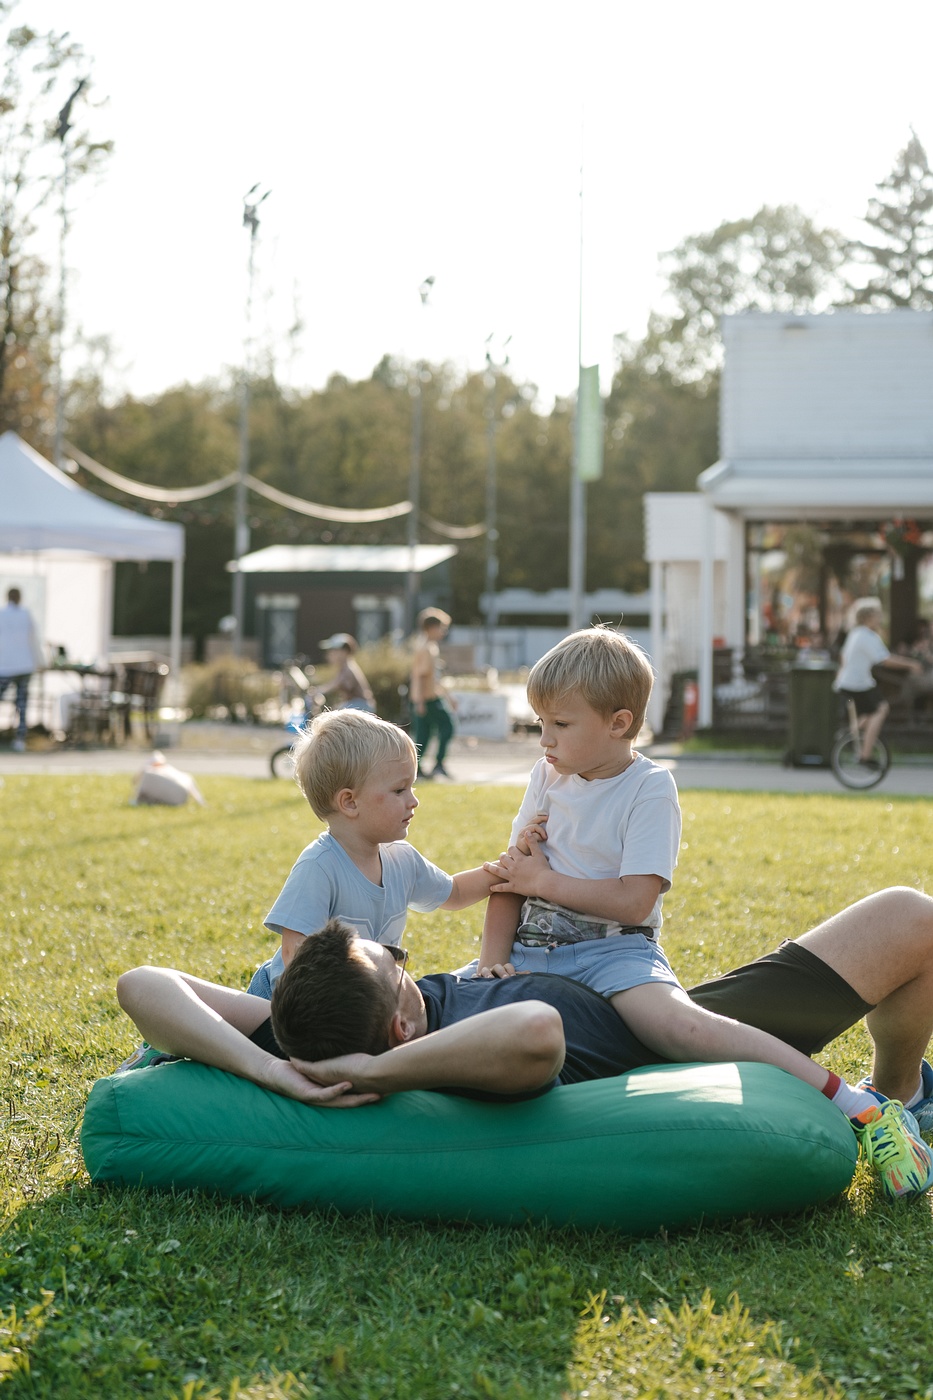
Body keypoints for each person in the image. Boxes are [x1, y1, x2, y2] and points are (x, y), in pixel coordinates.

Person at [115, 888, 933, 1199]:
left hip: (651, 1002)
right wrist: (376, 1070)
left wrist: (272, 1068)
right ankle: (895, 1101)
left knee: (909, 914)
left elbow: (141, 984)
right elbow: (536, 1034)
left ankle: (900, 1087)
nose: (407, 960)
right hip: (679, 1051)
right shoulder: (448, 1052)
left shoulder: (305, 1032)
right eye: (400, 970)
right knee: (917, 926)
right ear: (400, 1025)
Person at [470, 627, 930, 1173]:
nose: (543, 740)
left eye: (559, 725)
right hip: (545, 969)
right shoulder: (548, 776)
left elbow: (628, 902)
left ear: (619, 723)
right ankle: (890, 1096)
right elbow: (510, 878)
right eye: (541, 723)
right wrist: (488, 959)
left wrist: (540, 881)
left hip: (614, 959)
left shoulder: (647, 786)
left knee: (686, 1025)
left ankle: (877, 1100)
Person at [245, 708, 495, 998]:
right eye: (400, 790)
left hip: (361, 1006)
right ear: (350, 802)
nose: (413, 800)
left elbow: (455, 893)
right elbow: (295, 952)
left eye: (411, 787)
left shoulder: (402, 859)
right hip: (286, 1004)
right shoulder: (320, 866)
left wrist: (505, 870)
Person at [833, 598, 920, 763]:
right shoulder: (867, 635)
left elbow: (843, 657)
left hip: (849, 683)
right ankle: (865, 755)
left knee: (871, 713)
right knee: (881, 710)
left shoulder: (855, 633)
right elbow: (885, 660)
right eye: (878, 614)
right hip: (857, 684)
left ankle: (851, 733)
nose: (881, 618)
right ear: (868, 617)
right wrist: (911, 664)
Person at [409, 607, 455, 780]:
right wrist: (420, 701)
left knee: (424, 734)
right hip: (427, 699)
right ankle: (437, 764)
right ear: (431, 628)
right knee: (446, 727)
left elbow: (435, 678)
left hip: (428, 697)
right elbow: (420, 676)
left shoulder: (429, 646)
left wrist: (449, 697)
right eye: (441, 627)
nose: (444, 631)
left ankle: (419, 768)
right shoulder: (425, 648)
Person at [0, 587, 41, 753]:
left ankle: (20, 738)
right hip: (23, 666)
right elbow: (34, 641)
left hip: (6, 667)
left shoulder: (3, 615)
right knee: (22, 704)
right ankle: (20, 738)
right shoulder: (25, 615)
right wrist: (39, 662)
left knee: (20, 702)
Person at [316, 633, 376, 712]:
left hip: (361, 705)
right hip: (357, 704)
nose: (329, 655)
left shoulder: (349, 668)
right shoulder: (344, 668)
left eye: (333, 651)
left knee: (334, 715)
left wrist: (318, 690)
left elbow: (335, 684)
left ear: (344, 652)